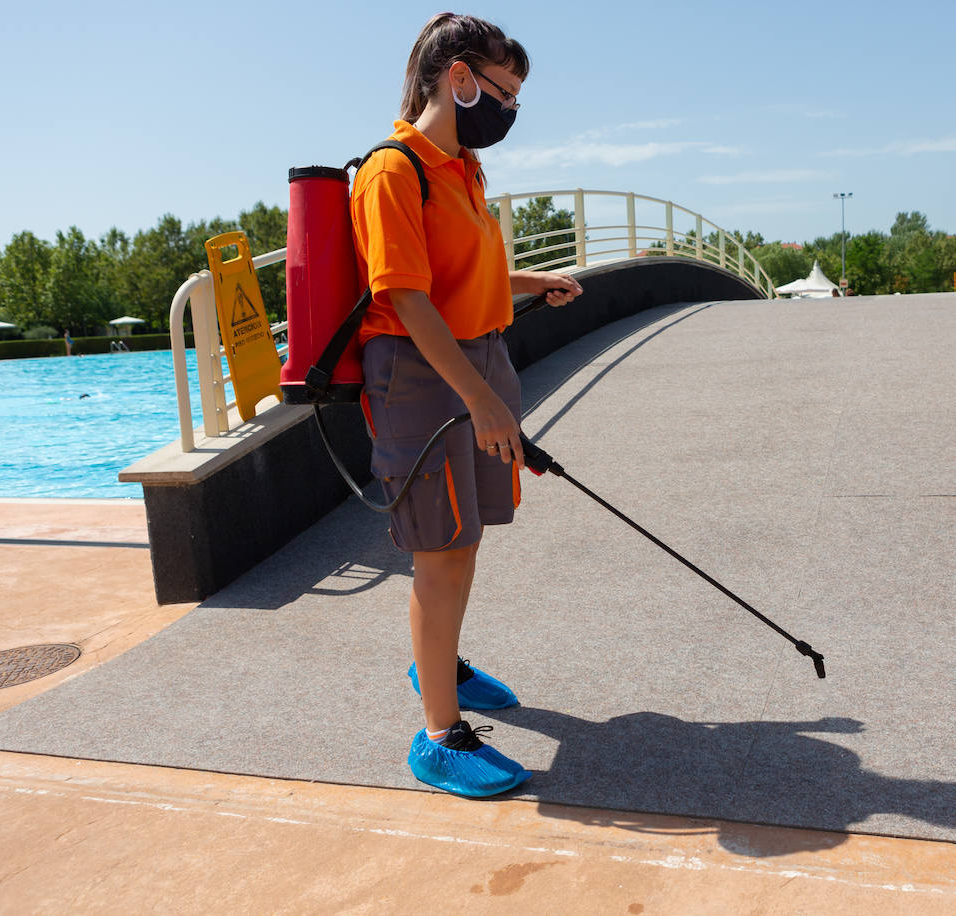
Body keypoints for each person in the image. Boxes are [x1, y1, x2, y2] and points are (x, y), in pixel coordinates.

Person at [351, 13, 583, 798]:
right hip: (422, 376)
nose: (509, 111)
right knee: (439, 549)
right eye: (503, 92)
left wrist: (530, 284)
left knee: (465, 537)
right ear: (458, 78)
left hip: (475, 358)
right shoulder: (393, 170)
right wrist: (480, 397)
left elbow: (457, 271)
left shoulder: (462, 168)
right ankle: (439, 737)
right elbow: (406, 299)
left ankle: (438, 662)